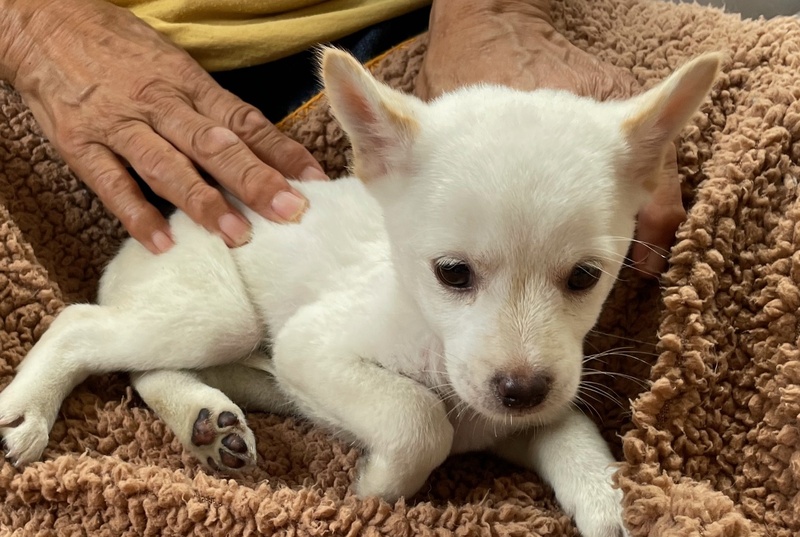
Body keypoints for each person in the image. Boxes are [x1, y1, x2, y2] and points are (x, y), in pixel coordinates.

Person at [0, 0, 684, 274]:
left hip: (431, 33)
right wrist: (33, 27)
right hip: (71, 65)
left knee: (721, 213)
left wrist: (492, 12)